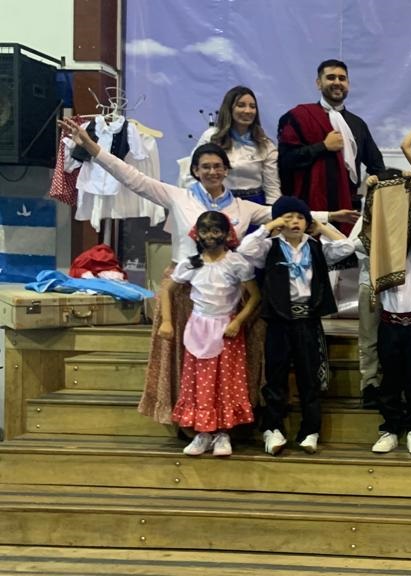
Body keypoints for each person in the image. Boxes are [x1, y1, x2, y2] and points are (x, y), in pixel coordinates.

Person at [57, 118, 343, 427]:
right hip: (184, 292)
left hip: (229, 294)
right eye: (205, 166)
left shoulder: (243, 207)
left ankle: (227, 422)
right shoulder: (178, 196)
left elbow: (287, 215)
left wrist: (330, 216)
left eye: (218, 166)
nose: (212, 171)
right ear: (195, 170)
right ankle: (190, 422)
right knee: (188, 360)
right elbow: (131, 177)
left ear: (226, 170)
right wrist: (92, 147)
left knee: (228, 359)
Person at [237, 197, 355, 455]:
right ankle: (273, 429)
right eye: (288, 217)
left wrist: (321, 227)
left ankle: (310, 431)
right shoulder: (269, 247)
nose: (295, 222)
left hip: (307, 320)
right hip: (279, 320)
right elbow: (245, 248)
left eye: (300, 217)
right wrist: (270, 226)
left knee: (309, 377)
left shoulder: (316, 246)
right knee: (276, 377)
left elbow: (346, 247)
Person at [161, 211, 260, 457]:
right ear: (197, 234)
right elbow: (167, 290)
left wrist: (238, 321)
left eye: (216, 231)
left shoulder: (237, 263)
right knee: (199, 381)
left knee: (226, 381)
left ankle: (223, 433)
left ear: (226, 234)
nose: (210, 236)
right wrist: (167, 322)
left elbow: (255, 296)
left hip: (226, 330)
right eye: (205, 231)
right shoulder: (190, 264)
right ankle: (203, 432)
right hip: (198, 329)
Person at [369, 169, 411, 455]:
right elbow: (367, 226)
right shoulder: (379, 246)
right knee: (390, 380)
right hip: (389, 324)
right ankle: (391, 429)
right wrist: (370, 193)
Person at [278, 59, 386, 224]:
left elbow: (377, 166)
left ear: (348, 84)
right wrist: (323, 146)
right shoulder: (298, 117)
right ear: (318, 83)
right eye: (330, 77)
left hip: (348, 209)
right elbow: (286, 161)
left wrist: (372, 199)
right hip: (307, 210)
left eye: (342, 78)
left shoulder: (357, 124)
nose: (337, 82)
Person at [186, 86, 281, 205]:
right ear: (229, 109)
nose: (247, 111)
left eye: (252, 106)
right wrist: (193, 204)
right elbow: (191, 174)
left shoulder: (265, 144)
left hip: (255, 204)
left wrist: (273, 210)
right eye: (241, 105)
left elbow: (272, 187)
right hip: (217, 201)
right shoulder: (211, 137)